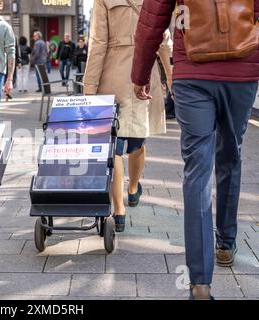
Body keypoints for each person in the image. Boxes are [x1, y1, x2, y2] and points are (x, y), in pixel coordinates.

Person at [131, 0, 259, 300]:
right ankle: (226, 243)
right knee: (231, 155)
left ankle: (200, 283)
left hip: (193, 73)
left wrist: (140, 74)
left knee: (197, 173)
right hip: (243, 71)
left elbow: (153, 18)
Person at [84, 0, 169, 234]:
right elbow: (163, 39)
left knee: (116, 145)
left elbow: (98, 43)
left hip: (112, 75)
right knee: (138, 140)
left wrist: (89, 88)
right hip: (144, 74)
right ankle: (132, 189)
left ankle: (119, 210)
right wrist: (172, 77)